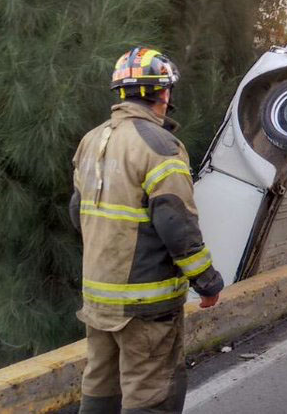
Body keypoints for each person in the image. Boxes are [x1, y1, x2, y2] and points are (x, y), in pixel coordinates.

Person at [72, 48, 224, 414]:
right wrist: (206, 281)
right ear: (164, 94)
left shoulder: (91, 141)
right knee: (151, 394)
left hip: (98, 297)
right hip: (145, 303)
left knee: (100, 386)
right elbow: (177, 224)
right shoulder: (161, 146)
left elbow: (77, 213)